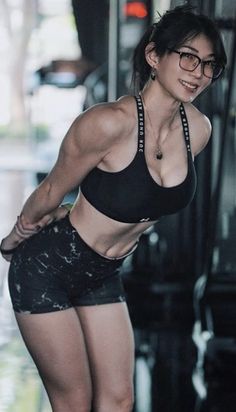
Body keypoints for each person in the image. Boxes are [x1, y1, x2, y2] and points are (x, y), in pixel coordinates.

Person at [0, 5, 227, 412]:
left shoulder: (200, 131)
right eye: (188, 57)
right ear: (154, 56)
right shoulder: (106, 123)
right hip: (46, 270)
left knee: (119, 401)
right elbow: (52, 190)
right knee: (74, 401)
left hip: (103, 273)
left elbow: (131, 197)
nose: (198, 73)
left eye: (209, 64)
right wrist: (15, 238)